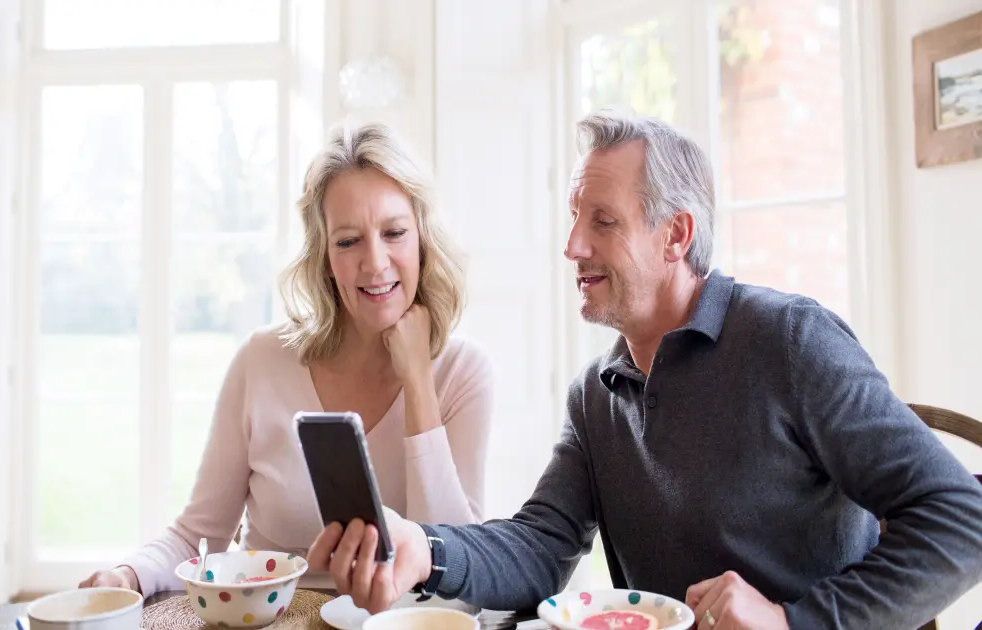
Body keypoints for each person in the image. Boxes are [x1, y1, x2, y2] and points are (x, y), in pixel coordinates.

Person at [307, 111, 982, 629]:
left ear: (676, 235)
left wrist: (791, 622)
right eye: (575, 217)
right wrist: (426, 549)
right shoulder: (596, 394)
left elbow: (960, 517)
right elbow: (540, 548)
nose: (572, 245)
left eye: (603, 222)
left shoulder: (791, 342)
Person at [79, 122, 495, 598]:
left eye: (394, 232)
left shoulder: (464, 373)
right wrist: (127, 575)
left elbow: (458, 567)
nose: (375, 262)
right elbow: (198, 536)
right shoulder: (262, 361)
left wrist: (419, 382)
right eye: (347, 241)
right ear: (324, 256)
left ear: (422, 237)